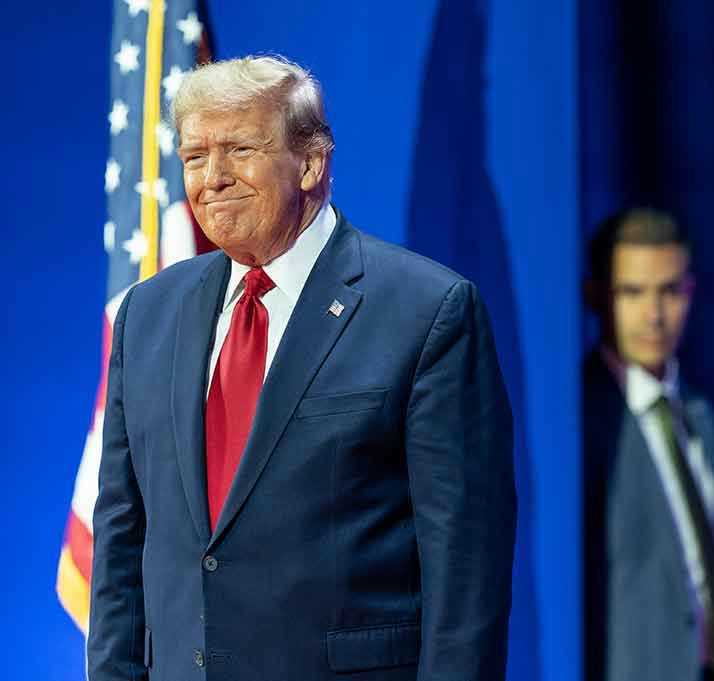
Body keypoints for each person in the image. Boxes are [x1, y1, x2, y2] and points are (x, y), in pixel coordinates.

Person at [88, 55, 516, 681]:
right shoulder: (148, 315)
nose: (213, 178)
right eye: (194, 157)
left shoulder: (426, 312)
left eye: (238, 149)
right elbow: (121, 548)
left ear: (311, 162)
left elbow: (466, 572)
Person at [582, 208, 714, 681]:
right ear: (596, 296)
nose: (654, 315)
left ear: (690, 292)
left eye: (669, 291)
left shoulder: (705, 419)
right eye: (632, 292)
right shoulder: (582, 421)